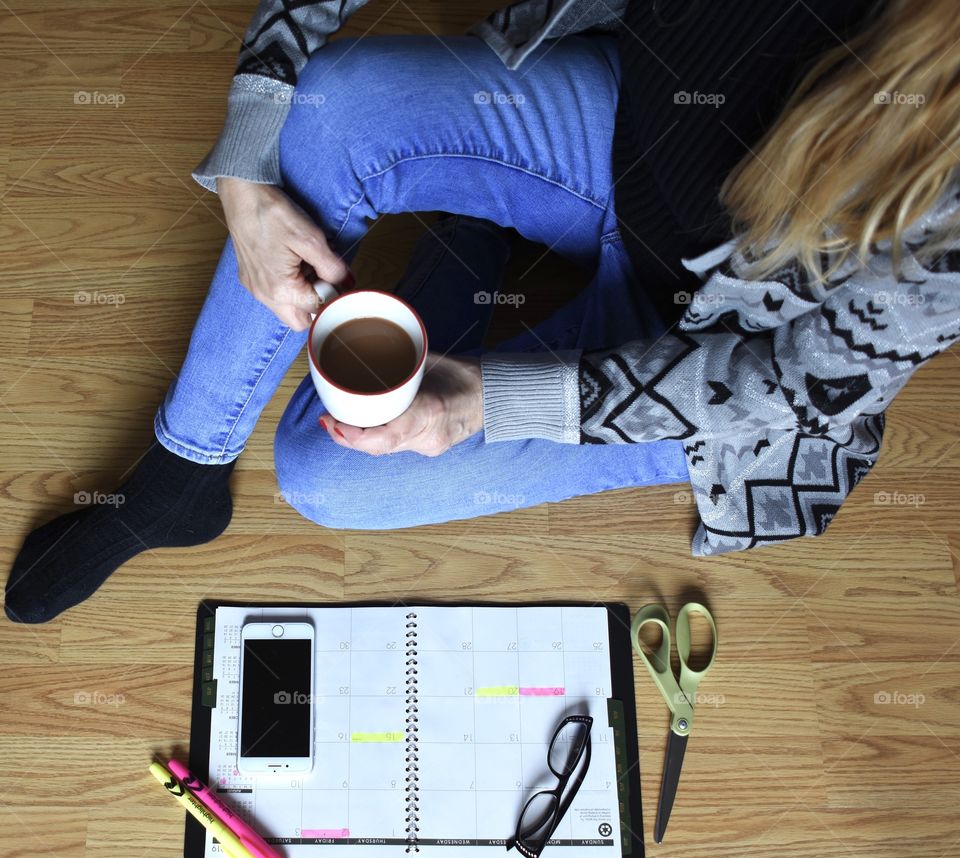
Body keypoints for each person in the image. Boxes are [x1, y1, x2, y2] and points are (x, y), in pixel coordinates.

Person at [5, 0, 959, 624]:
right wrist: (251, 151)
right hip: (622, 139)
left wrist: (490, 402)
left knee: (327, 478)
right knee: (330, 108)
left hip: (724, 356)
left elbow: (796, 385)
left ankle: (469, 246)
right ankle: (181, 473)